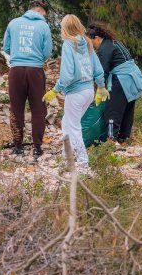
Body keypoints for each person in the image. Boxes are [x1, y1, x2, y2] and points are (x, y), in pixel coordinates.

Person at [43, 15, 107, 174]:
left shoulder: (68, 44)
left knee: (74, 127)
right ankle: (66, 158)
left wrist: (55, 90)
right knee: (67, 122)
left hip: (76, 93)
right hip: (88, 92)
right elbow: (98, 69)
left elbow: (67, 75)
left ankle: (84, 165)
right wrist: (101, 87)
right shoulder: (87, 43)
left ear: (64, 28)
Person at [3, 0, 53, 157]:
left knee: (16, 107)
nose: (44, 17)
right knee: (38, 109)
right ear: (38, 9)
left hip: (16, 69)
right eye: (44, 14)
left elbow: (6, 47)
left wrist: (19, 56)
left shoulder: (13, 23)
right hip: (35, 70)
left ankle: (18, 146)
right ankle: (37, 146)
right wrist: (36, 59)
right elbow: (47, 51)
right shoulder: (43, 26)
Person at [86, 22, 142, 145]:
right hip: (132, 79)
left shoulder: (104, 48)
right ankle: (123, 139)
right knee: (127, 110)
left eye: (90, 42)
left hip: (121, 80)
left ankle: (110, 140)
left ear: (96, 38)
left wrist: (99, 88)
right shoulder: (115, 42)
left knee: (112, 110)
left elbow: (103, 71)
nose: (91, 45)